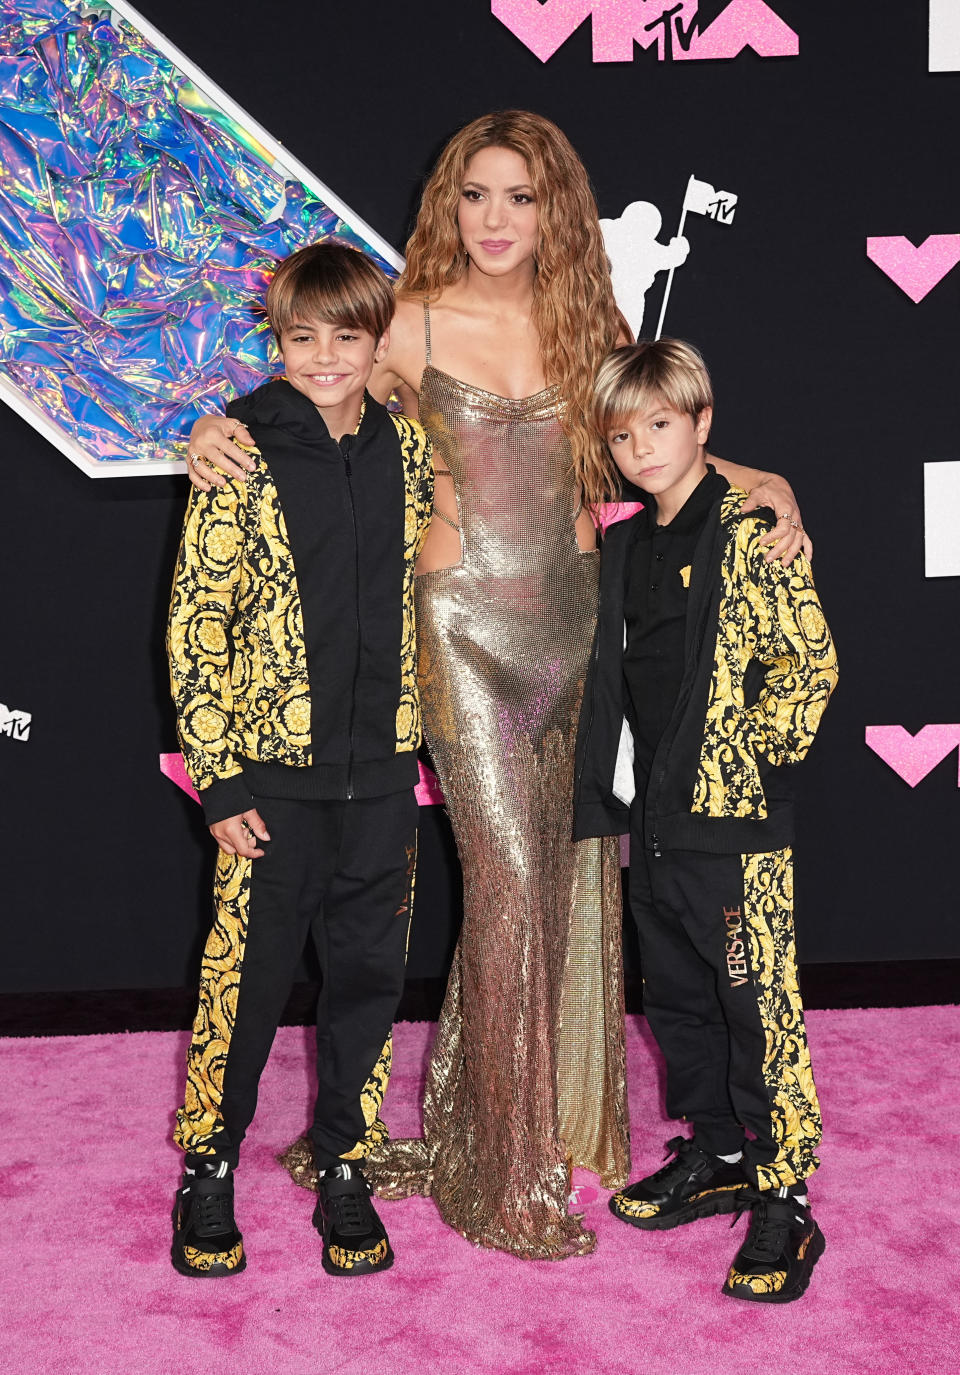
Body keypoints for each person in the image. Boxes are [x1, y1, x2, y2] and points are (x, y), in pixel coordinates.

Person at [183, 111, 809, 1260]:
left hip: (576, 632)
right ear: (446, 203)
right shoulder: (408, 323)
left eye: (520, 197)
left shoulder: (595, 323)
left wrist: (765, 480)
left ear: (556, 206)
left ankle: (506, 1121)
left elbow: (662, 438)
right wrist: (208, 433)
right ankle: (507, 1172)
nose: (496, 220)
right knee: (511, 884)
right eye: (475, 195)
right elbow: (303, 391)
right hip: (459, 634)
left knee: (568, 889)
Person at [166, 242, 434, 1279]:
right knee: (247, 981)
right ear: (276, 341)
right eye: (302, 338)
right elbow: (200, 625)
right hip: (270, 784)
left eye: (347, 337)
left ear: (377, 340)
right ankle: (209, 1164)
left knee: (367, 978)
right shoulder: (238, 450)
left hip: (381, 780)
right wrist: (222, 779)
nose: (325, 357)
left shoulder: (405, 448)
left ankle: (345, 1163)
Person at [574, 338, 837, 1301]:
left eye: (661, 424)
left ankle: (786, 1193)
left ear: (702, 425)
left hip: (735, 825)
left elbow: (809, 668)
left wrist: (747, 766)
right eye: (624, 432)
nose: (642, 446)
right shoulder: (627, 544)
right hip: (655, 821)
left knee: (756, 1009)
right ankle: (719, 1152)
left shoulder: (753, 524)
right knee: (681, 998)